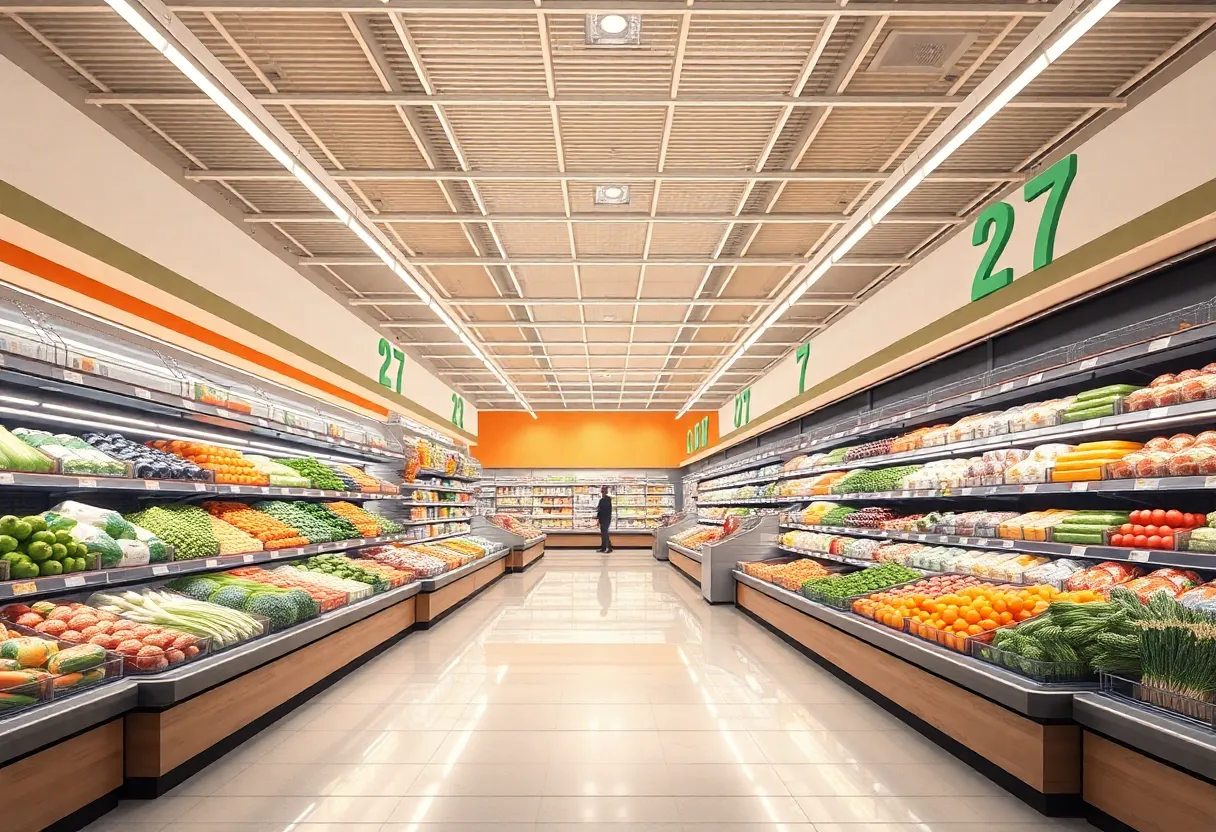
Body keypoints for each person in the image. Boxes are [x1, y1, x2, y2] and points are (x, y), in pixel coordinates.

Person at [596, 485, 613, 553]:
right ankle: (603, 548)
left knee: (605, 533)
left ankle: (608, 548)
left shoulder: (607, 499)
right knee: (603, 534)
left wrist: (599, 510)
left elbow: (605, 509)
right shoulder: (601, 500)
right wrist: (598, 518)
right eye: (602, 490)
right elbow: (599, 509)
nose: (602, 492)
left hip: (606, 518)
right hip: (602, 518)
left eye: (603, 490)